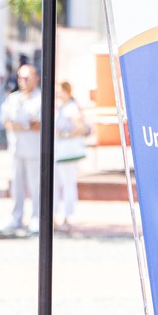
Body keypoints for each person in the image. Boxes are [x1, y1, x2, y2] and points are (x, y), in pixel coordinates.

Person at [0, 65, 42, 234]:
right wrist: (23, 125)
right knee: (16, 186)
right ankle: (16, 217)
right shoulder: (13, 98)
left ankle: (37, 218)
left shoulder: (40, 98)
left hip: (34, 150)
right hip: (16, 149)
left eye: (26, 78)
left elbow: (40, 124)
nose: (22, 81)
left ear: (36, 79)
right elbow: (5, 120)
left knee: (36, 186)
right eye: (20, 78)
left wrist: (23, 126)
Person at [52, 81, 89, 231]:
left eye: (60, 91)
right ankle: (55, 216)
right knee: (56, 184)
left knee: (68, 185)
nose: (58, 94)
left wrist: (65, 135)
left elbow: (81, 128)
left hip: (67, 152)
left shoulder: (71, 108)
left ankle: (67, 217)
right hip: (59, 152)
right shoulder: (62, 107)